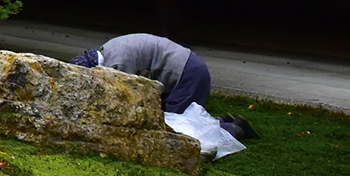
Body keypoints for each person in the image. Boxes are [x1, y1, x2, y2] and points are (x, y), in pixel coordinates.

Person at [70, 32, 257, 140]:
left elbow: (125, 101)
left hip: (187, 74)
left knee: (177, 130)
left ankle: (235, 130)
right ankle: (222, 121)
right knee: (176, 120)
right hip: (186, 69)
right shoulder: (109, 49)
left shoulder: (117, 66)